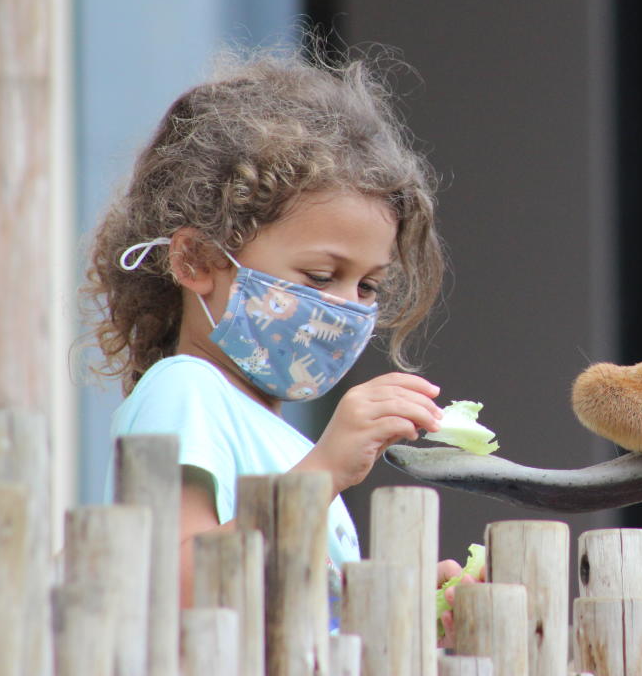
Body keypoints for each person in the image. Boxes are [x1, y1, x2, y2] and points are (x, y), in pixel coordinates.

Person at [88, 48, 472, 636]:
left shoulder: (279, 440)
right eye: (320, 276)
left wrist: (407, 608)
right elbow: (168, 584)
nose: (344, 306)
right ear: (198, 260)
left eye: (368, 286)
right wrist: (319, 475)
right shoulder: (183, 391)